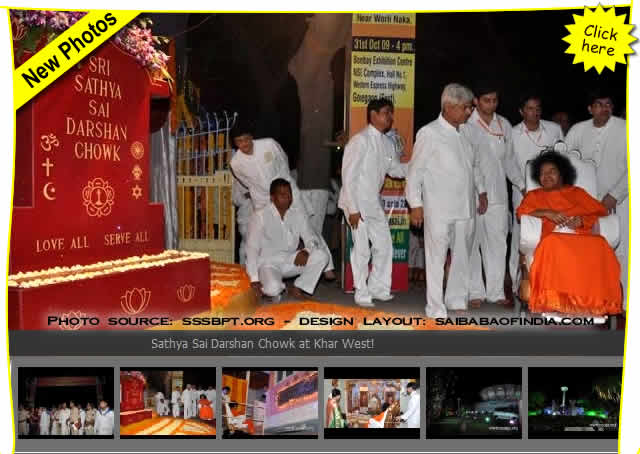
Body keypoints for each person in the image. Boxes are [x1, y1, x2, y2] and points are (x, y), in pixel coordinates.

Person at [406, 83, 485, 318]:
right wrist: (416, 205)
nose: (469, 112)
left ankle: (456, 299)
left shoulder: (466, 133)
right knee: (436, 258)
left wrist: (481, 191)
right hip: (439, 208)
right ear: (449, 107)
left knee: (462, 255)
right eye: (465, 108)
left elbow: (473, 168)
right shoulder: (429, 133)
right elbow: (414, 173)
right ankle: (435, 307)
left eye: (470, 108)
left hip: (466, 207)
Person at [516, 151, 622, 316]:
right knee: (553, 243)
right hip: (554, 238)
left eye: (551, 171)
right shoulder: (534, 195)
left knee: (600, 244)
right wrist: (546, 212)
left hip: (581, 237)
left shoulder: (577, 193)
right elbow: (521, 213)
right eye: (542, 173)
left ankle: (596, 302)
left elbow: (601, 211)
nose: (546, 176)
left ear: (562, 174)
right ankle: (558, 301)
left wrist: (582, 221)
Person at [230, 125, 336, 281]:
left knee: (306, 225)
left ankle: (327, 265)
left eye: (246, 139)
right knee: (265, 236)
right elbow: (246, 182)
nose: (244, 144)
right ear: (235, 143)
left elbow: (284, 160)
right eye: (239, 142)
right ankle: (265, 273)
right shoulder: (236, 163)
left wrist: (282, 184)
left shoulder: (269, 144)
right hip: (263, 199)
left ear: (251, 136)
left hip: (285, 190)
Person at [339, 98, 409, 306]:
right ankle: (361, 292)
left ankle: (378, 287)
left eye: (391, 113)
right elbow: (348, 176)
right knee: (361, 248)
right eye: (386, 112)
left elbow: (396, 170)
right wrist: (353, 209)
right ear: (373, 115)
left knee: (384, 244)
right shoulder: (359, 141)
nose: (390, 117)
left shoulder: (387, 142)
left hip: (372, 202)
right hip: (355, 202)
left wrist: (418, 165)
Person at [564, 90, 628, 304]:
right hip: (586, 204)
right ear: (590, 109)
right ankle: (595, 302)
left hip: (623, 202)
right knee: (590, 252)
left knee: (623, 251)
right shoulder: (577, 130)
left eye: (608, 104)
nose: (605, 108)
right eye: (599, 104)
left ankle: (626, 304)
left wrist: (614, 195)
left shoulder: (626, 128)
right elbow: (564, 163)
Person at [463, 83, 525, 307]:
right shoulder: (466, 123)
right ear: (476, 101)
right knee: (472, 243)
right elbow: (469, 162)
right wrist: (480, 191)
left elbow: (508, 160)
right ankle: (474, 292)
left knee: (498, 243)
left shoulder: (504, 124)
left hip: (499, 195)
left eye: (495, 100)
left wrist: (521, 184)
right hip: (471, 195)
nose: (491, 104)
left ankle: (496, 291)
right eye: (487, 100)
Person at [510, 94, 564, 295]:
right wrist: (523, 187)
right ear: (522, 111)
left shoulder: (554, 129)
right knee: (521, 237)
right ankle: (517, 284)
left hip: (550, 193)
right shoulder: (513, 133)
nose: (535, 113)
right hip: (522, 192)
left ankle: (547, 284)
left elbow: (562, 158)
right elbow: (509, 163)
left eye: (538, 108)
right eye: (530, 109)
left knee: (550, 234)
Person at [246, 178, 329, 300]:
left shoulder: (298, 214)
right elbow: (252, 248)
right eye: (282, 194)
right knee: (273, 289)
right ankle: (277, 286)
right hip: (268, 263)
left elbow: (311, 237)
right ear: (272, 198)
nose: (287, 197)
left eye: (289, 194)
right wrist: (254, 279)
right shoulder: (260, 215)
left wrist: (307, 250)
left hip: (291, 260)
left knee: (321, 256)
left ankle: (297, 288)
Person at [232, 174, 253, 265]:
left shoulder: (260, 175)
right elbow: (235, 200)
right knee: (247, 244)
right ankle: (244, 270)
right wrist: (247, 196)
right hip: (245, 218)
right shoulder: (238, 179)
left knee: (247, 245)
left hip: (259, 216)